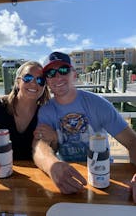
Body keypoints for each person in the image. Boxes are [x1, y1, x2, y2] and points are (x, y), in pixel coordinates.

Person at [32, 51, 136, 202]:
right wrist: (51, 165)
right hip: (68, 175)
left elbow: (132, 142)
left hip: (104, 172)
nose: (57, 77)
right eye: (50, 73)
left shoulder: (98, 104)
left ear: (74, 74)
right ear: (46, 80)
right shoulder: (46, 111)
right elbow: (39, 146)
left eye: (63, 70)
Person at [0, 60, 50, 176]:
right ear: (18, 82)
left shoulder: (46, 115)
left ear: (44, 86)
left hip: (32, 178)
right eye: (28, 78)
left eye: (40, 80)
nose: (34, 83)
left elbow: (50, 149)